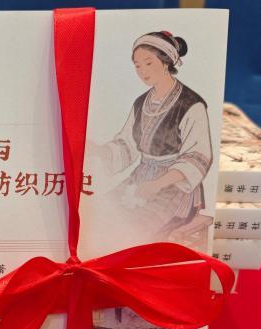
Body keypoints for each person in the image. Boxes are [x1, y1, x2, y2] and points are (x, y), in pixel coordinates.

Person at [88, 31, 213, 245]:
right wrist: (98, 150)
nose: (142, 71)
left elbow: (197, 156)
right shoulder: (140, 103)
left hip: (175, 185)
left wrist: (157, 184)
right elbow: (127, 143)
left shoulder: (191, 104)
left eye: (148, 63)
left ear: (166, 62)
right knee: (100, 213)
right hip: (141, 177)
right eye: (137, 66)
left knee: (134, 229)